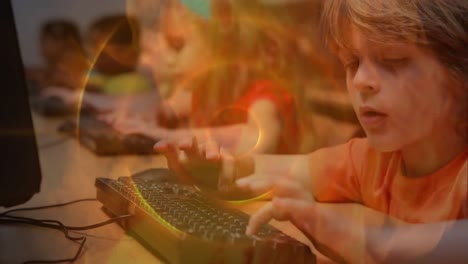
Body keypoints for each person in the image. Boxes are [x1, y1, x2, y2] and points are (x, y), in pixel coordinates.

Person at [155, 0, 468, 262]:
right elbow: (291, 169)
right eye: (352, 63)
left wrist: (353, 233)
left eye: (394, 61)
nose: (361, 81)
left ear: (460, 75)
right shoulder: (369, 160)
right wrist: (222, 171)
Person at [110, 0, 302, 156]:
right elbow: (166, 109)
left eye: (177, 45)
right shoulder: (209, 90)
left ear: (223, 45)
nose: (167, 59)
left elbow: (258, 138)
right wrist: (134, 118)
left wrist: (165, 135)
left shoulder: (265, 94)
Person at [86, 14, 152, 95]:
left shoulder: (136, 83)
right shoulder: (95, 74)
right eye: (92, 51)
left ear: (131, 54)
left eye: (102, 55)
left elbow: (109, 100)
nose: (94, 58)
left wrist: (91, 90)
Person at [26, 19, 88, 90]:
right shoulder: (58, 62)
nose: (42, 46)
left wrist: (47, 79)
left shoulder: (74, 62)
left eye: (46, 41)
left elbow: (79, 84)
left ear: (63, 41)